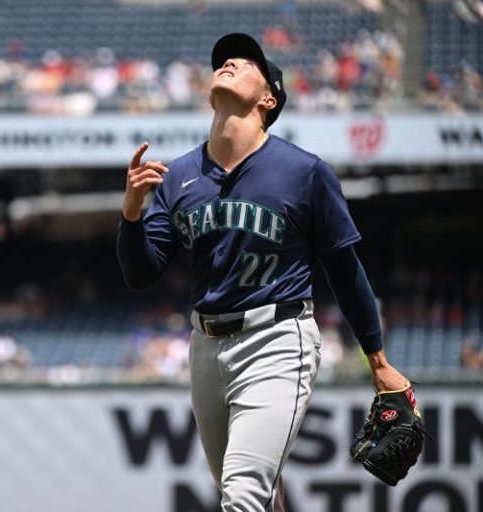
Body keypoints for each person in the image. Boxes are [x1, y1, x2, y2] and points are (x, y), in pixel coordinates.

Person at [116, 33, 411, 511]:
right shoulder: (178, 176)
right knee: (256, 498)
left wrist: (377, 361)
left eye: (245, 62)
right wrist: (131, 215)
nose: (228, 63)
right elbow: (141, 274)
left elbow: (344, 268)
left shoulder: (304, 172)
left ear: (268, 98)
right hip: (205, 347)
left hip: (276, 339)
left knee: (243, 494)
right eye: (223, 60)